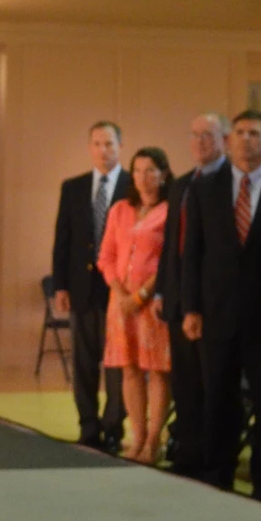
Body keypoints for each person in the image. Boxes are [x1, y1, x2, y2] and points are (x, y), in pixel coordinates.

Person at [182, 108, 261, 500]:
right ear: (228, 140)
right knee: (218, 398)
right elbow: (192, 254)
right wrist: (191, 308)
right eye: (239, 132)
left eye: (254, 133)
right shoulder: (204, 189)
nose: (246, 139)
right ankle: (218, 474)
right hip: (216, 315)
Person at [152, 113, 229, 477]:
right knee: (185, 383)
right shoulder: (181, 185)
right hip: (178, 297)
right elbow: (171, 246)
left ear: (224, 140)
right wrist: (162, 291)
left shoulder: (232, 185)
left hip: (214, 303)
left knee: (214, 384)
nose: (200, 142)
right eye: (195, 135)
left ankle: (215, 460)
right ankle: (188, 454)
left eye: (209, 136)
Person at [50, 121, 132, 450]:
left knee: (116, 364)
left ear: (120, 146)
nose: (104, 150)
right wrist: (61, 286)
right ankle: (88, 426)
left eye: (110, 143)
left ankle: (113, 428)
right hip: (82, 290)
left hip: (119, 291)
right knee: (83, 364)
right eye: (97, 143)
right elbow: (62, 240)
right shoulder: (73, 187)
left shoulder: (132, 186)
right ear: (89, 147)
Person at [98, 147, 173, 462]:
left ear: (164, 175)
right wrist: (120, 292)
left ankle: (154, 440)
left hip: (151, 303)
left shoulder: (171, 210)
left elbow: (169, 260)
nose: (144, 178)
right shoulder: (120, 209)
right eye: (138, 170)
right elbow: (107, 257)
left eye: (151, 170)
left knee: (156, 371)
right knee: (128, 370)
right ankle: (138, 435)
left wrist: (140, 296)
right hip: (120, 302)